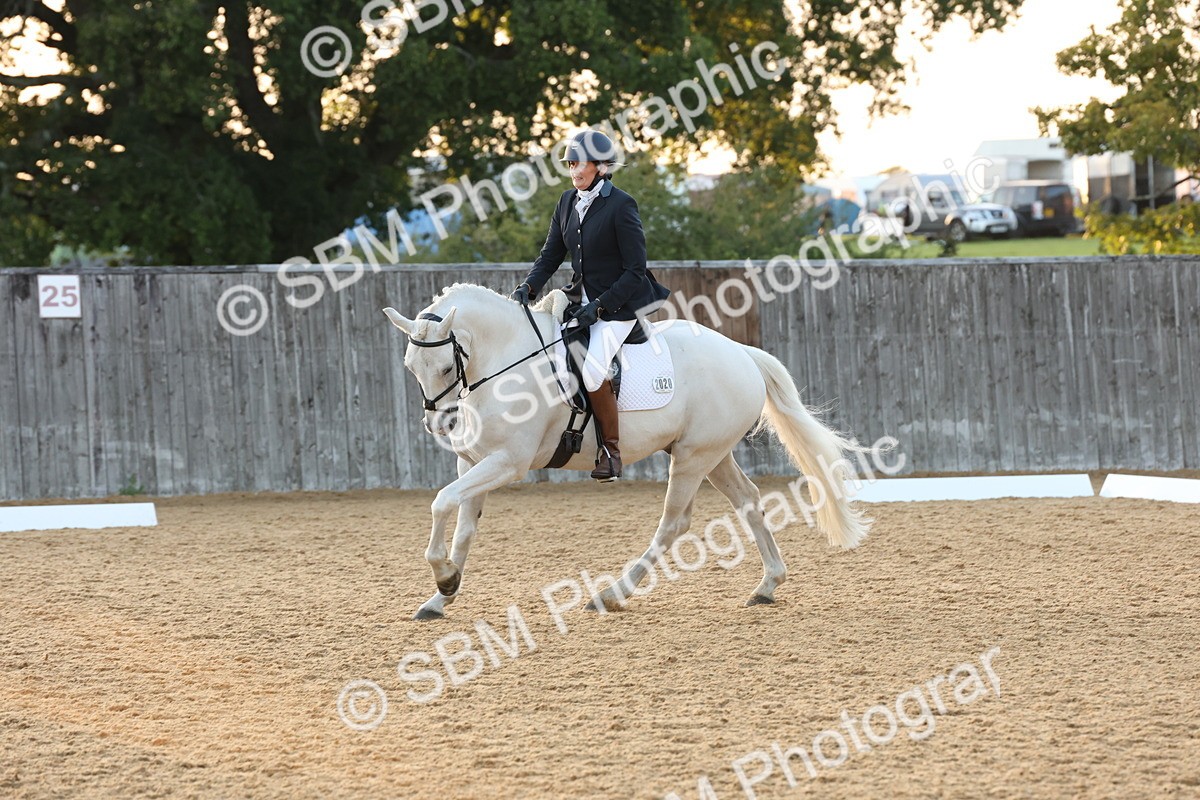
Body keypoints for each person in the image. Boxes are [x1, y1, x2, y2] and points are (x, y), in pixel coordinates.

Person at [510, 130, 670, 481]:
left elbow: (635, 270)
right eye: (569, 163)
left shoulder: (621, 204)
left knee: (594, 369)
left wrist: (599, 307)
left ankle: (611, 452)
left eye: (579, 163)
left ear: (600, 166)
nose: (573, 170)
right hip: (580, 300)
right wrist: (529, 285)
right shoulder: (567, 202)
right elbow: (550, 254)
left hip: (621, 305)